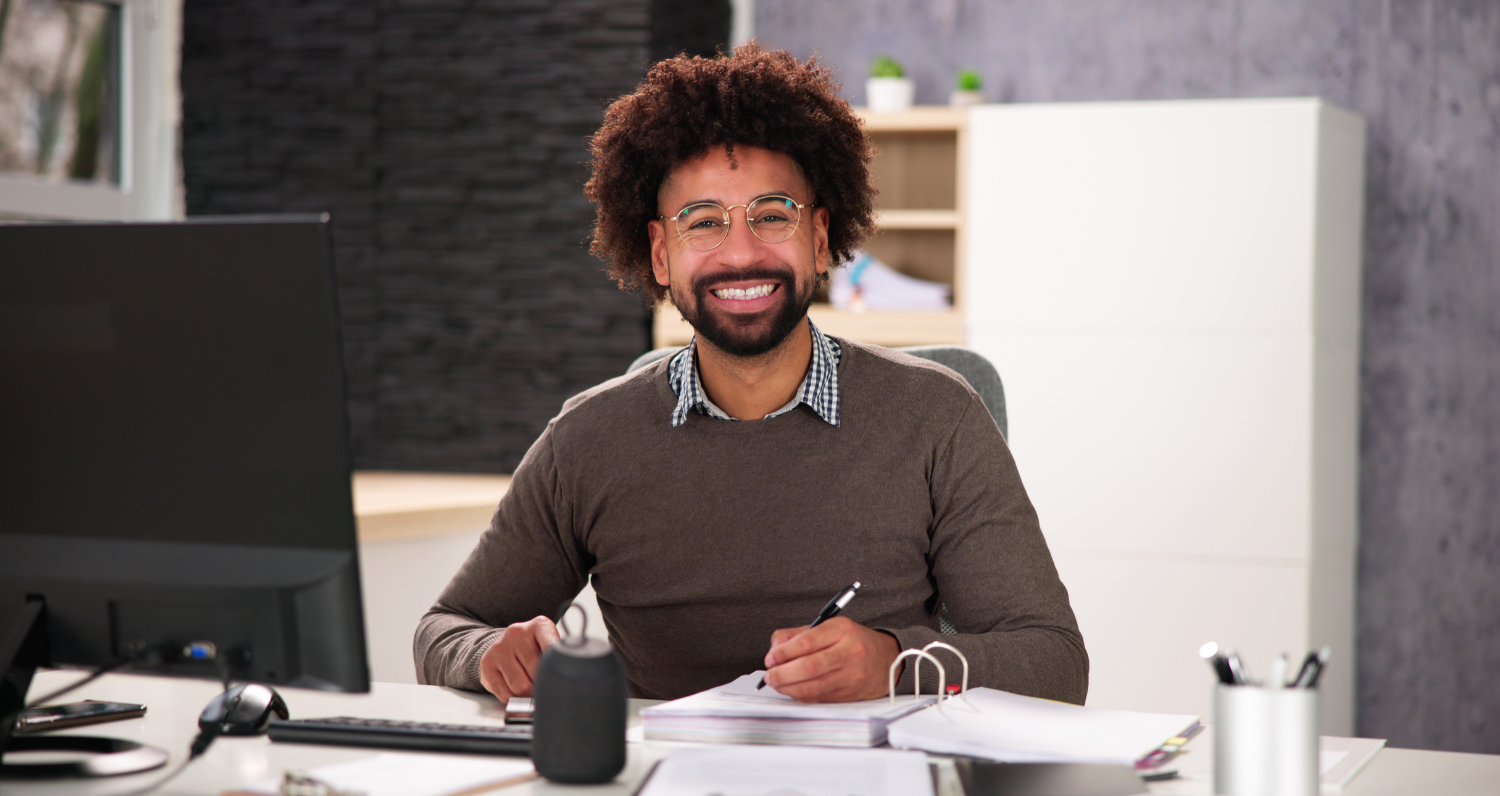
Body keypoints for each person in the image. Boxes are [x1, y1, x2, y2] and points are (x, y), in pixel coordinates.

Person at [414, 43, 1088, 705]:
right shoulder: (588, 439)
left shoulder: (937, 416)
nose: (741, 252)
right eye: (702, 222)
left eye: (772, 215)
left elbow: (1054, 660)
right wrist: (490, 655)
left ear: (820, 239)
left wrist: (895, 661)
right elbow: (445, 629)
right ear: (659, 254)